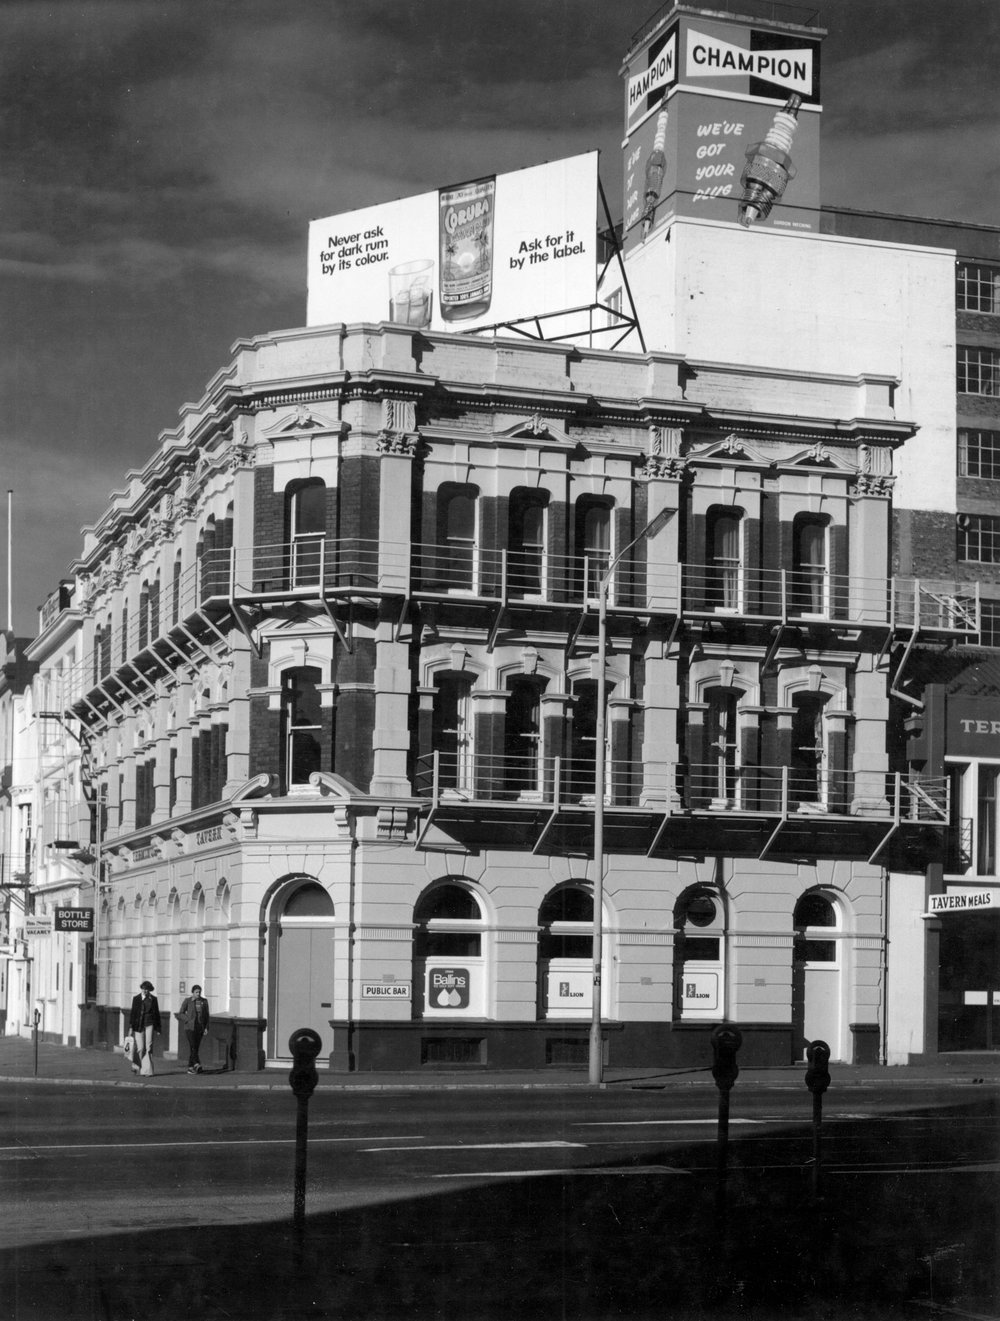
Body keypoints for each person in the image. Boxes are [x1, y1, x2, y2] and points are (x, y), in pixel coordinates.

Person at [129, 980, 161, 1077]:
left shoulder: (153, 999)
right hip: (138, 1025)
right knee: (140, 1047)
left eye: (147, 989)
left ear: (150, 990)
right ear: (141, 988)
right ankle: (135, 1066)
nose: (145, 991)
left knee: (149, 1047)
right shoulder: (136, 999)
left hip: (150, 1024)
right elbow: (133, 1014)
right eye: (143, 988)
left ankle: (146, 1071)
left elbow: (157, 1014)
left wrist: (158, 1028)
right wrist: (131, 1027)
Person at [179, 984, 210, 1074]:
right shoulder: (188, 1001)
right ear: (192, 992)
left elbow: (206, 1015)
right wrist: (188, 1019)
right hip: (189, 1027)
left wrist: (206, 1027)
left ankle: (190, 1067)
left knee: (195, 1047)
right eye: (196, 992)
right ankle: (196, 1064)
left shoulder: (204, 1001)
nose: (198, 994)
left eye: (199, 992)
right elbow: (181, 1013)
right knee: (193, 1046)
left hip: (200, 1027)